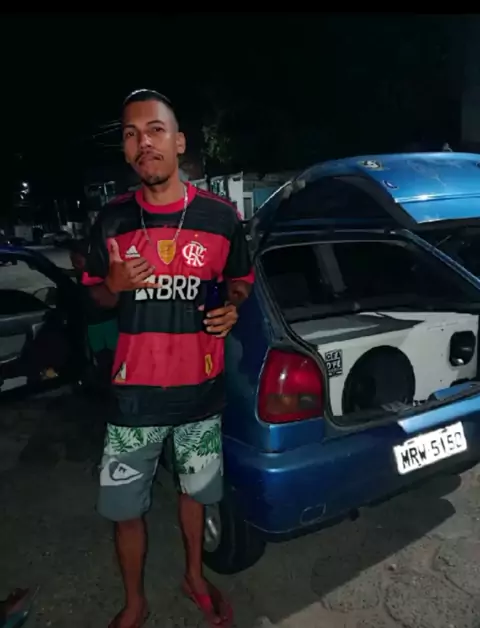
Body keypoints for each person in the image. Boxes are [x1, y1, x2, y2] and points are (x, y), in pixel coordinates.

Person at [82, 89, 254, 628]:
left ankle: (194, 577)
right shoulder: (112, 220)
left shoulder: (222, 217)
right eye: (131, 134)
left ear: (179, 142)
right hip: (133, 401)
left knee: (195, 496)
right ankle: (135, 602)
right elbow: (92, 298)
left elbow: (239, 281)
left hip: (200, 396)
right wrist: (112, 286)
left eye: (155, 130)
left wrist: (230, 306)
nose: (143, 143)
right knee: (125, 510)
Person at [67, 239, 119, 390]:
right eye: (72, 260)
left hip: (108, 323)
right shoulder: (82, 274)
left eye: (77, 260)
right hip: (94, 325)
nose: (74, 263)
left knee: (115, 359)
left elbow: (112, 300)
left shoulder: (100, 272)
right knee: (102, 360)